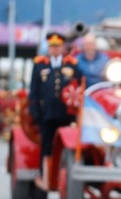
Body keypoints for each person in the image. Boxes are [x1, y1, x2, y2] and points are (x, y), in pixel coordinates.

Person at [29, 32, 82, 187]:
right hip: (46, 114)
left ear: (63, 47)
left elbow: (78, 87)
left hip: (66, 114)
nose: (55, 49)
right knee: (46, 144)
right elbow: (34, 90)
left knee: (66, 145)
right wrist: (35, 111)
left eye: (58, 46)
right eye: (52, 46)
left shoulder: (72, 64)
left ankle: (63, 177)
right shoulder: (40, 64)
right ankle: (44, 174)